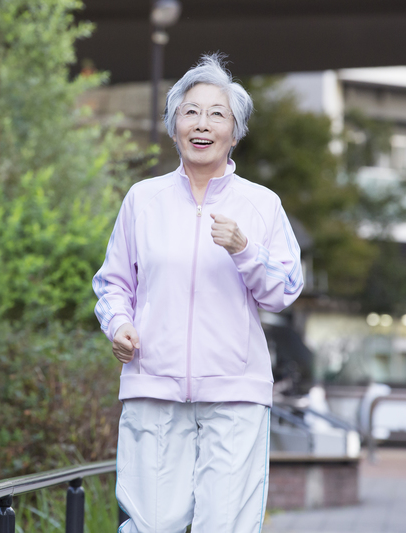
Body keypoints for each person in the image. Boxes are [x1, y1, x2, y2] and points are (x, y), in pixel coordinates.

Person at [92, 53, 303, 533]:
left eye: (217, 114)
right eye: (190, 111)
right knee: (151, 526)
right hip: (154, 387)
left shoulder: (261, 205)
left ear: (235, 130)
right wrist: (119, 325)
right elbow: (113, 282)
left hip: (235, 393)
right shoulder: (143, 200)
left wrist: (244, 249)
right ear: (173, 126)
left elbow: (284, 290)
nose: (202, 123)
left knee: (224, 526)